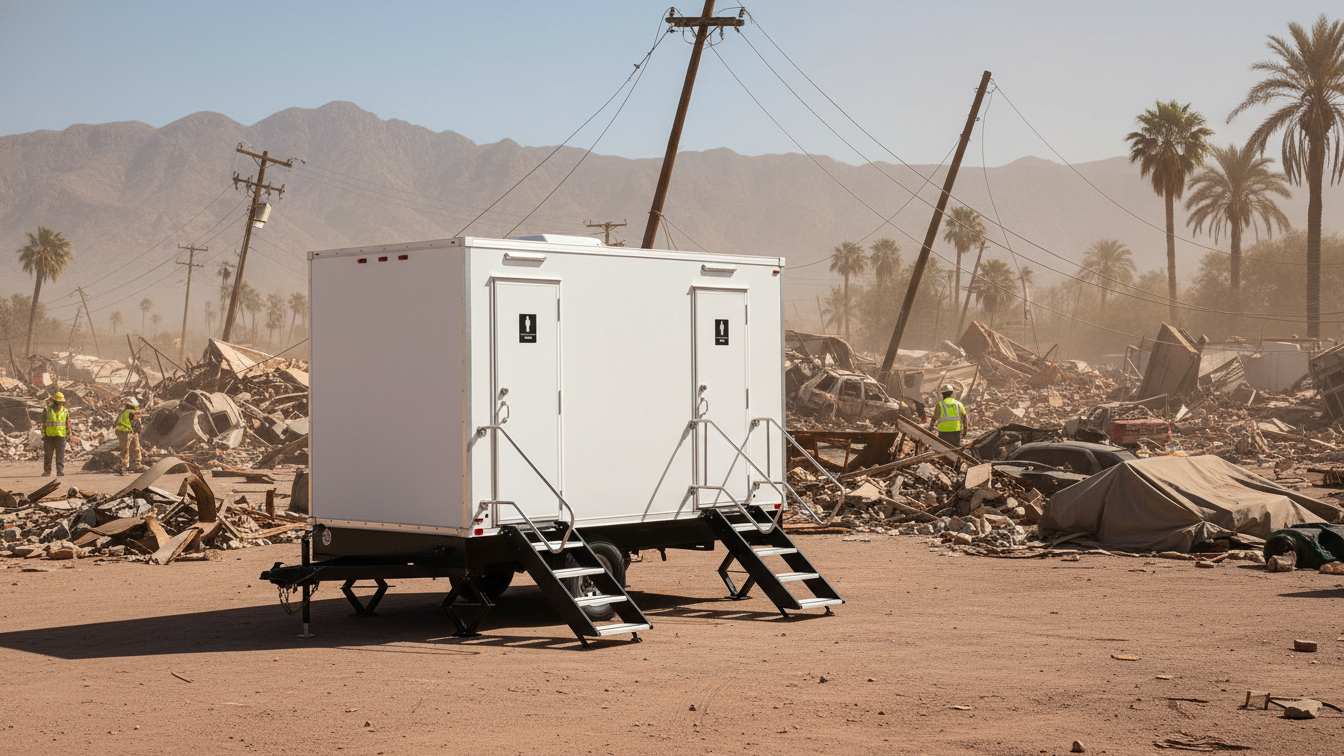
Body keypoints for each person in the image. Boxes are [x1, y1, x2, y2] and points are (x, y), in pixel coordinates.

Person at [42, 391, 71, 477]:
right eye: (58, 403)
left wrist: (69, 435)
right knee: (48, 455)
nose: (59, 405)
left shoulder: (65, 411)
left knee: (60, 455)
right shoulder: (47, 410)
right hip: (49, 436)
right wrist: (44, 434)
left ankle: (60, 471)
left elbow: (68, 424)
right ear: (53, 402)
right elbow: (43, 423)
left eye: (61, 403)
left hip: (61, 436)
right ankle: (47, 471)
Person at [115, 397, 144, 476]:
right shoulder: (129, 413)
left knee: (136, 448)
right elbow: (138, 422)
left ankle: (136, 465)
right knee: (126, 450)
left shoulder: (124, 412)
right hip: (125, 432)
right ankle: (123, 467)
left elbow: (116, 422)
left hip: (131, 431)